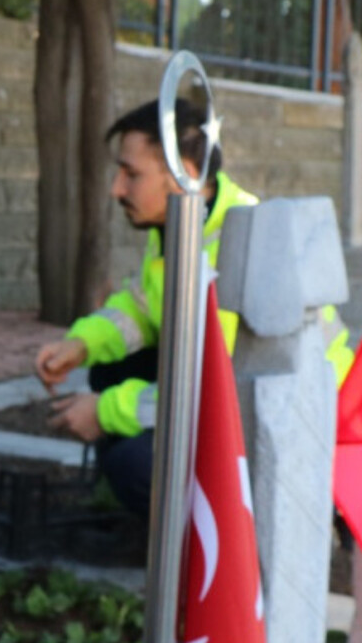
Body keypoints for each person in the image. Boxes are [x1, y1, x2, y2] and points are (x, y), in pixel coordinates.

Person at [35, 98, 353, 516]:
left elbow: (207, 393)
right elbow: (141, 308)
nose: (117, 188)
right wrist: (81, 344)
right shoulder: (182, 222)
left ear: (183, 175)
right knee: (108, 370)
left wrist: (106, 411)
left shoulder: (238, 251)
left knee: (135, 463)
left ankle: (222, 551)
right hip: (243, 401)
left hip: (303, 429)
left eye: (131, 173)